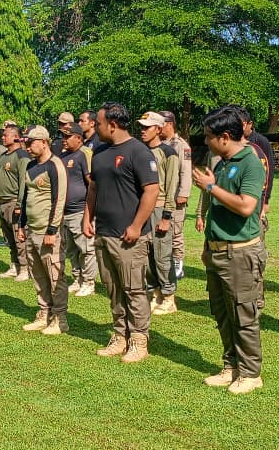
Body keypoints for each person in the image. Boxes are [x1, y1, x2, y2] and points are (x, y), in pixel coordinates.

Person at [193, 106, 269, 394]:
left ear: (224, 137)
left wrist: (211, 188)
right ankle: (231, 366)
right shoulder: (221, 162)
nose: (206, 141)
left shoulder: (251, 162)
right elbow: (216, 211)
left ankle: (250, 373)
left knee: (243, 314)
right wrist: (207, 245)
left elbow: (247, 206)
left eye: (209, 136)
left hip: (240, 252)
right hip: (217, 250)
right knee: (222, 313)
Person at [84, 102, 159, 363]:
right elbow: (93, 188)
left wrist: (136, 226)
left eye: (99, 123)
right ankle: (120, 335)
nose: (96, 127)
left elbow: (152, 191)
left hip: (129, 237)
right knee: (113, 288)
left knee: (133, 289)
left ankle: (139, 340)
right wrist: (87, 217)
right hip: (104, 233)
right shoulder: (99, 152)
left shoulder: (138, 152)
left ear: (113, 125)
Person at [18, 126, 69, 333]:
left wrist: (52, 230)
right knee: (38, 275)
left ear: (44, 142)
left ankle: (60, 318)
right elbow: (25, 198)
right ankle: (44, 312)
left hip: (48, 232)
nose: (28, 147)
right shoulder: (31, 166)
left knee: (55, 276)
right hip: (31, 230)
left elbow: (59, 199)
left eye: (31, 143)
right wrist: (21, 225)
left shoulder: (55, 165)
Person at [138, 111, 180, 315]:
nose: (142, 131)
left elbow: (172, 186)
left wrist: (167, 216)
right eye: (141, 127)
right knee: (146, 254)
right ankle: (156, 294)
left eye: (147, 127)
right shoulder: (140, 151)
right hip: (143, 208)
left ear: (158, 129)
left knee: (162, 254)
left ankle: (169, 297)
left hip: (160, 207)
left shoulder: (168, 153)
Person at [59, 123, 97, 297]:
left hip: (81, 210)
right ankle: (78, 278)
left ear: (79, 138)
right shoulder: (63, 156)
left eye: (68, 136)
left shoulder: (84, 154)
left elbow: (92, 183)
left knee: (86, 248)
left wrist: (91, 211)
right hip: (65, 212)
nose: (64, 140)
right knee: (71, 249)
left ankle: (89, 282)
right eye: (63, 136)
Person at [158, 111, 192, 281]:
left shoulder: (180, 145)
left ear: (170, 124)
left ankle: (178, 263)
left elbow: (185, 171)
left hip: (176, 195)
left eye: (161, 124)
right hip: (162, 195)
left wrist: (183, 193)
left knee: (176, 231)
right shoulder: (159, 144)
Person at [0, 124, 32, 281]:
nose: (3, 137)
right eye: (3, 135)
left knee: (19, 237)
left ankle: (25, 268)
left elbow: (24, 181)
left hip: (14, 201)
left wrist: (19, 204)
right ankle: (14, 265)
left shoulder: (22, 156)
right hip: (2, 202)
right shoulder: (2, 155)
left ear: (16, 137)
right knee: (9, 237)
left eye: (6, 135)